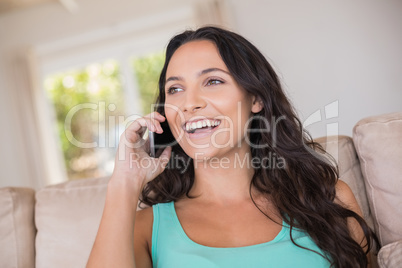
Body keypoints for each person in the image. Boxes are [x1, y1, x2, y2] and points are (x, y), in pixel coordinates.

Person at [87, 26, 377, 268]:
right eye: (175, 89)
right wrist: (124, 183)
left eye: (212, 81)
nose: (189, 103)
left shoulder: (330, 200)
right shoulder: (146, 229)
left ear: (256, 99)